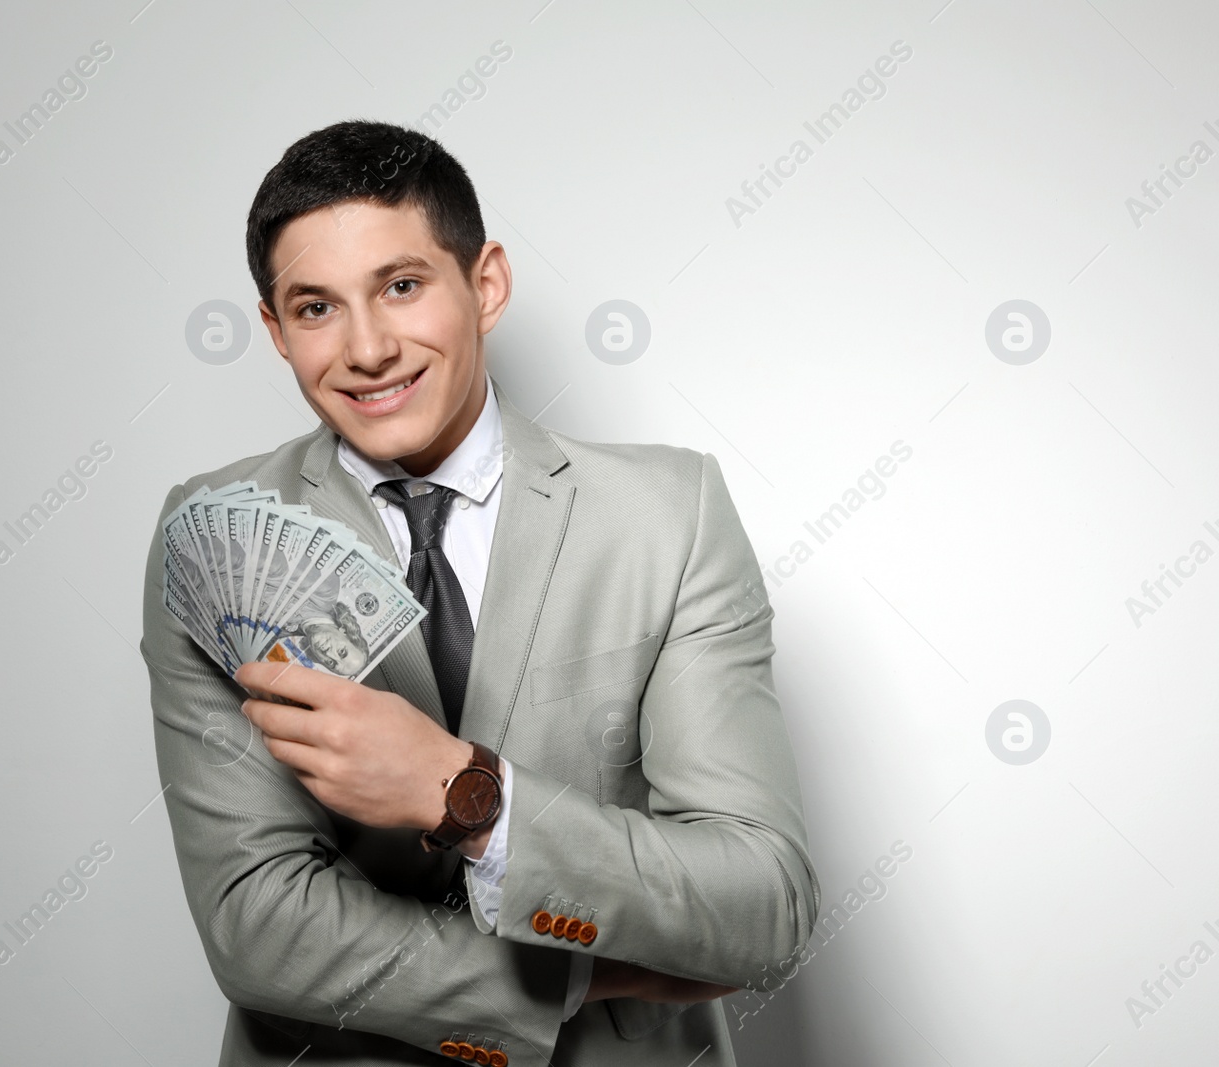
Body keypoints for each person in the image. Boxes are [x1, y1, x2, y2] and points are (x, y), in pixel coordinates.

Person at [140, 119, 820, 1067]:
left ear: (485, 283)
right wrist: (579, 977)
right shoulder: (213, 540)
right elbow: (257, 926)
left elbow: (762, 903)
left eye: (402, 286)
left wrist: (466, 797)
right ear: (274, 329)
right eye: (315, 308)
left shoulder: (669, 514)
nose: (367, 348)